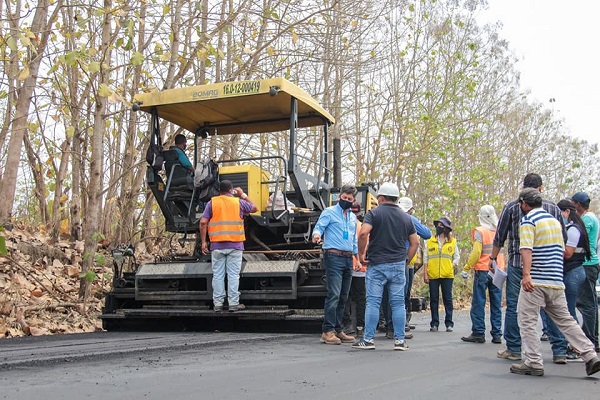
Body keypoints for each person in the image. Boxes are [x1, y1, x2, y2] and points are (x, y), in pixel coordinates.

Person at [509, 188, 600, 377]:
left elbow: (526, 249)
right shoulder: (555, 222)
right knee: (566, 321)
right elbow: (561, 250)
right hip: (556, 280)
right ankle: (590, 355)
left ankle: (533, 362)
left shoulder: (528, 220)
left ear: (524, 204)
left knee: (527, 320)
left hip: (536, 281)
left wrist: (526, 275)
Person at [489, 173, 564, 361]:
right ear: (541, 188)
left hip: (517, 264)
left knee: (515, 305)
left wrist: (493, 257)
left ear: (523, 188)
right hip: (546, 266)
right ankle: (560, 351)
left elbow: (500, 235)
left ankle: (514, 348)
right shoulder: (553, 208)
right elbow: (561, 237)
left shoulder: (512, 206)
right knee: (552, 307)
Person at [352, 182, 418, 350]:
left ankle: (368, 340)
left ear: (380, 197)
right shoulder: (406, 218)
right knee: (397, 303)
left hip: (377, 265)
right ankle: (400, 341)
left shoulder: (374, 214)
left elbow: (364, 233)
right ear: (396, 198)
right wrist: (406, 260)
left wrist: (361, 255)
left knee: (373, 302)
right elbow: (414, 243)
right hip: (397, 265)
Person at [543, 198, 592, 361]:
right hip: (574, 272)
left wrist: (553, 250)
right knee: (567, 311)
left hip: (573, 273)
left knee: (568, 312)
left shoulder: (572, 229)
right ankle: (573, 346)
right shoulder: (573, 227)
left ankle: (574, 347)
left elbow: (568, 253)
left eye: (560, 212)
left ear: (567, 212)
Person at [199, 180, 258, 312]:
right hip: (235, 245)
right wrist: (242, 194)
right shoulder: (238, 202)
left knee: (218, 275)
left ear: (219, 190)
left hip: (217, 246)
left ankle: (218, 304)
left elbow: (203, 222)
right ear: (232, 190)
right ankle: (233, 304)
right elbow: (254, 208)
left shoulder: (212, 203)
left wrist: (204, 242)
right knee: (233, 275)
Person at [312, 185, 359, 345]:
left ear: (353, 200)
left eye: (349, 199)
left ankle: (338, 329)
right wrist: (317, 235)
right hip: (333, 256)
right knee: (334, 294)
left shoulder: (352, 218)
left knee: (344, 296)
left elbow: (353, 240)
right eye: (344, 197)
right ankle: (327, 331)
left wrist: (357, 259)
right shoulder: (329, 212)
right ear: (339, 197)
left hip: (348, 258)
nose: (346, 200)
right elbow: (319, 227)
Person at [461, 205, 504, 344]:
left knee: (479, 302)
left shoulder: (480, 231)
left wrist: (467, 267)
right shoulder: (499, 230)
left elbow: (476, 253)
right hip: (498, 270)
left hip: (483, 270)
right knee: (496, 303)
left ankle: (478, 332)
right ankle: (497, 334)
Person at [571, 192, 600, 352]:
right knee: (591, 303)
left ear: (578, 205)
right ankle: (592, 338)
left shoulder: (587, 219)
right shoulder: (592, 218)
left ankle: (589, 340)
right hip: (591, 263)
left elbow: (579, 237)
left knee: (587, 304)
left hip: (587, 263)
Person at [423, 217, 459, 332]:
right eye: (438, 225)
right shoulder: (429, 242)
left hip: (447, 275)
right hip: (433, 274)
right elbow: (426, 259)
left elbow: (457, 256)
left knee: (447, 299)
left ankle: (449, 323)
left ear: (446, 228)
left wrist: (451, 265)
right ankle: (434, 323)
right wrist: (425, 274)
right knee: (434, 299)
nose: (439, 227)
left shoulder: (452, 242)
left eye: (441, 225)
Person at [342, 202, 366, 338]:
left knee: (345, 297)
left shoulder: (347, 225)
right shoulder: (363, 227)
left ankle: (347, 324)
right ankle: (360, 326)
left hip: (348, 265)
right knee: (361, 298)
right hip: (361, 268)